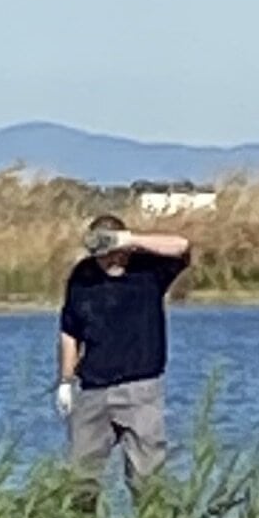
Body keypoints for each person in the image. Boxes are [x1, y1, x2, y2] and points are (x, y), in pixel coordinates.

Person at [57, 210, 192, 496]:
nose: (109, 260)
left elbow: (182, 246)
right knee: (81, 481)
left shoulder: (149, 269)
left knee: (146, 480)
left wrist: (130, 240)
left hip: (140, 390)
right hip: (93, 390)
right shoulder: (83, 276)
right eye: (102, 253)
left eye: (113, 251)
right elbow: (70, 330)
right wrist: (66, 381)